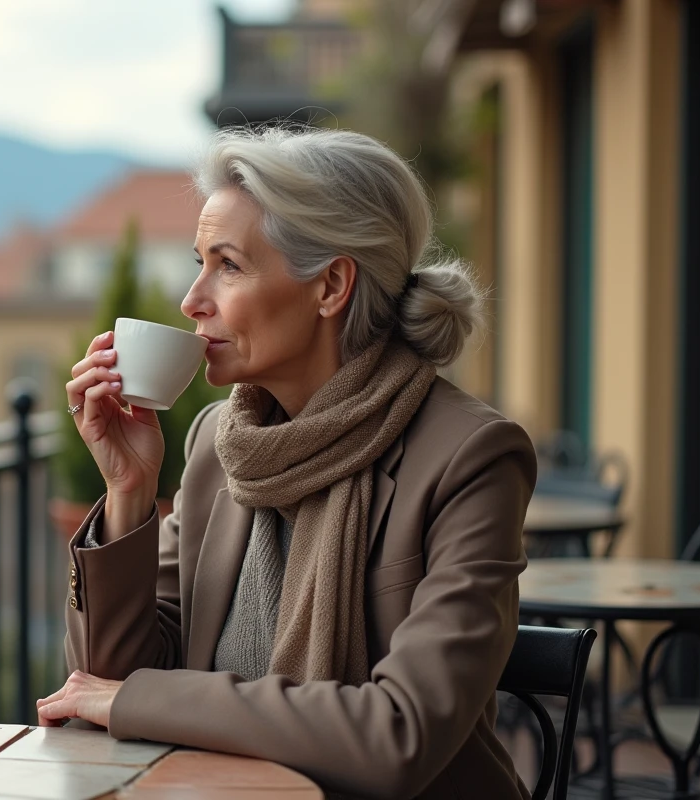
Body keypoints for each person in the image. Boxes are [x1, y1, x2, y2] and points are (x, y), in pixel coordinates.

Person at [35, 126, 536, 800]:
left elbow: (399, 733)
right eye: (197, 262)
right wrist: (129, 489)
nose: (192, 301)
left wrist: (142, 701)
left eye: (229, 265)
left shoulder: (469, 458)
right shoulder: (220, 443)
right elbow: (111, 678)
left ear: (330, 285)